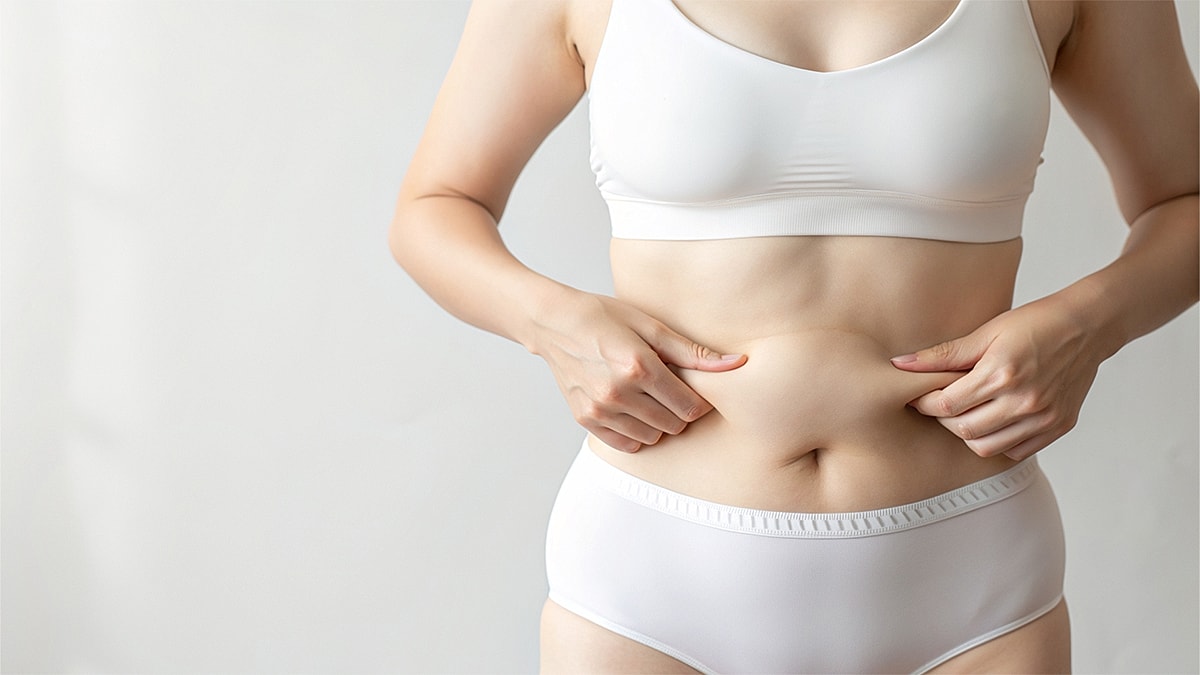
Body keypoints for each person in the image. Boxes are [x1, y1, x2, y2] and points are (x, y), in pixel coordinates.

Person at [390, 0, 1198, 671]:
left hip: (970, 581)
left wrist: (1088, 326)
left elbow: (1185, 199)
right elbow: (436, 204)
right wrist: (553, 323)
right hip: (652, 581)